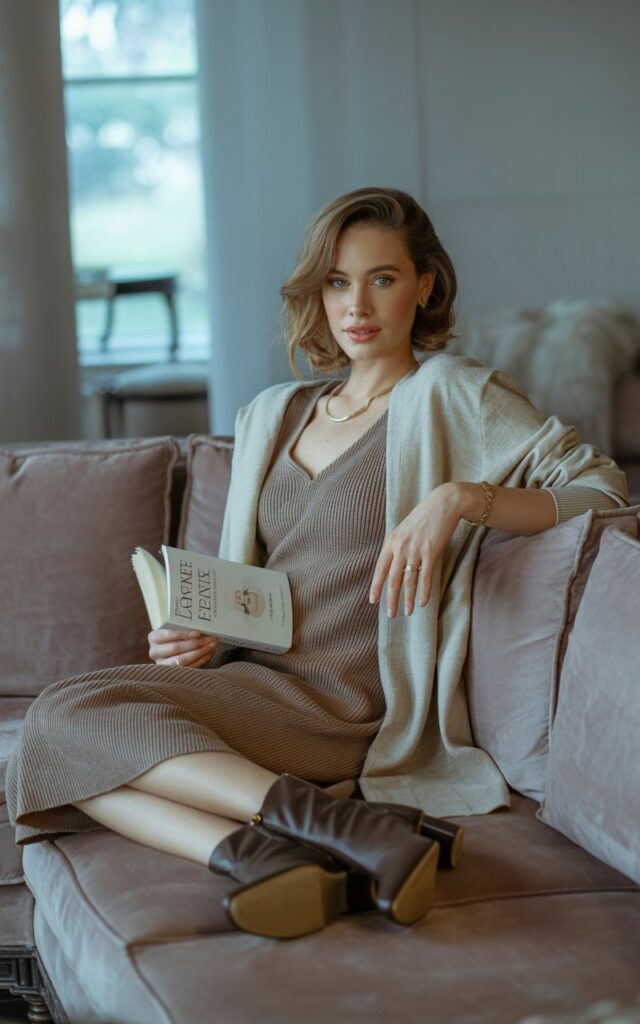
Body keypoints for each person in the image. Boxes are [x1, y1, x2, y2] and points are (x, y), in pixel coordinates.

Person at [6, 187, 628, 941]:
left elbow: (601, 488)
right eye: (337, 281)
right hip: (257, 683)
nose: (356, 304)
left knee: (63, 720)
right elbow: (267, 590)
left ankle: (332, 828)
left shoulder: (452, 393)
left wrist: (462, 499)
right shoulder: (274, 412)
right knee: (60, 746)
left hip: (348, 705)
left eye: (382, 278)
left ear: (424, 284)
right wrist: (205, 638)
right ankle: (280, 858)